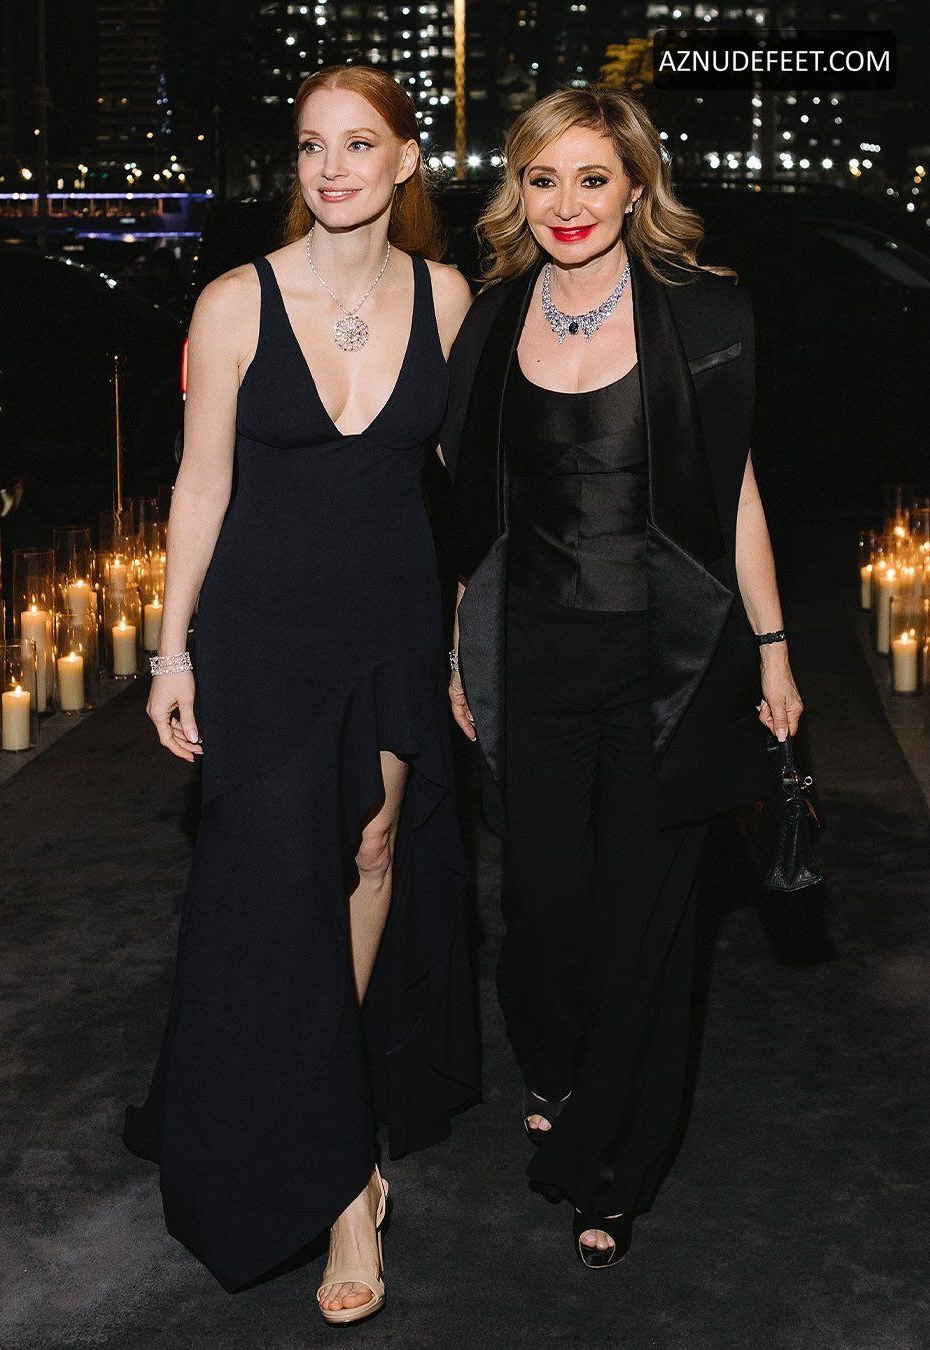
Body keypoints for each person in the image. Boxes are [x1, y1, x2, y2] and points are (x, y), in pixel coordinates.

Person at [122, 64, 477, 1323]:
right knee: (277, 876)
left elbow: (470, 486)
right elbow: (200, 487)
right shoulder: (234, 302)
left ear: (405, 160)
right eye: (313, 146)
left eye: (359, 144)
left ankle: (341, 1154)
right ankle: (339, 1176)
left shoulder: (445, 297)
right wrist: (171, 653)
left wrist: (465, 641)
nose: (332, 169)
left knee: (373, 851)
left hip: (391, 622)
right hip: (262, 635)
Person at [440, 86, 804, 1267]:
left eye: (592, 178)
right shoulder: (493, 318)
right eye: (542, 178)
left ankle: (612, 1168)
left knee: (649, 923)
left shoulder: (706, 313)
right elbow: (473, 513)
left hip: (671, 662)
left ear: (636, 185)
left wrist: (774, 648)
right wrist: (460, 647)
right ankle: (557, 1064)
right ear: (518, 190)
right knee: (544, 909)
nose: (567, 204)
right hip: (532, 656)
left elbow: (736, 495)